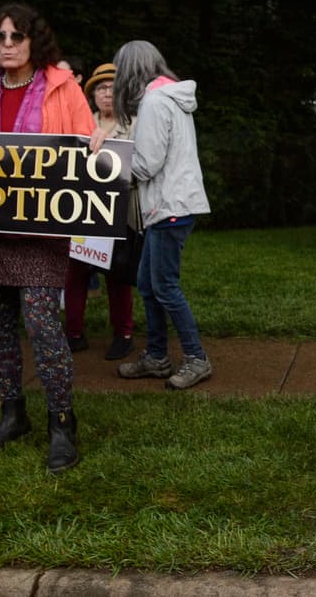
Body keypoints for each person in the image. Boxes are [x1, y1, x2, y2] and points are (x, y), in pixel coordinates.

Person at [0, 3, 94, 472]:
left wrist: (95, 144)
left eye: (17, 36)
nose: (8, 45)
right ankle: (12, 414)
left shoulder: (63, 86)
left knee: (40, 325)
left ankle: (62, 422)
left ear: (35, 40)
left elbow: (86, 143)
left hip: (42, 231)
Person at [89, 41, 212, 390]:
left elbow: (146, 164)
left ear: (130, 70)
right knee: (147, 284)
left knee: (165, 286)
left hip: (168, 207)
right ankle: (157, 357)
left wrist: (106, 157)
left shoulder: (156, 102)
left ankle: (196, 358)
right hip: (171, 205)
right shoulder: (167, 97)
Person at [64, 63, 137, 361]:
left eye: (113, 87)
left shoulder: (134, 123)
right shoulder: (81, 121)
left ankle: (124, 334)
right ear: (92, 95)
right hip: (83, 210)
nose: (107, 93)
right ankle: (73, 333)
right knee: (76, 273)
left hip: (120, 212)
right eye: (101, 88)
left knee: (117, 275)